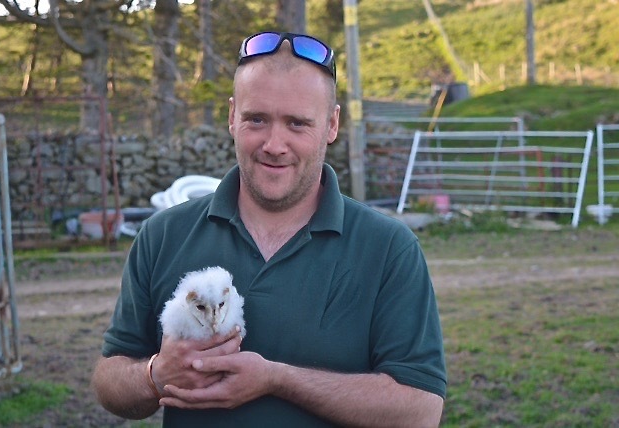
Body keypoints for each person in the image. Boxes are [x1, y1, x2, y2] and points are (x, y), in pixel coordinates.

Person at [92, 31, 446, 427]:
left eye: (297, 123)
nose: (274, 144)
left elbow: (420, 411)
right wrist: (155, 375)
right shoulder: (162, 235)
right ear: (231, 117)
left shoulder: (388, 248)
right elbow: (110, 381)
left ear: (331, 124)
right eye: (256, 119)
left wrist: (279, 380)